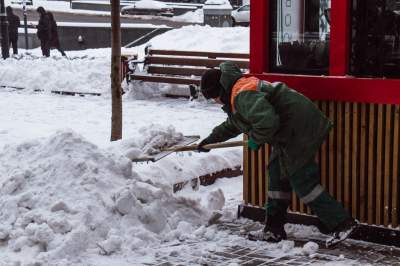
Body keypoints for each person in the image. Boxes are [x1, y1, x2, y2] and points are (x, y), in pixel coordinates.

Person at [198, 61, 359, 246]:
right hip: (288, 133)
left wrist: (255, 140)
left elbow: (267, 122)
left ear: (219, 90)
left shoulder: (242, 94)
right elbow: (234, 124)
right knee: (276, 173)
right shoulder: (237, 91)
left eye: (212, 97)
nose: (214, 101)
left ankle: (343, 223)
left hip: (300, 130)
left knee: (301, 180)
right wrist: (210, 140)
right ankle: (273, 230)